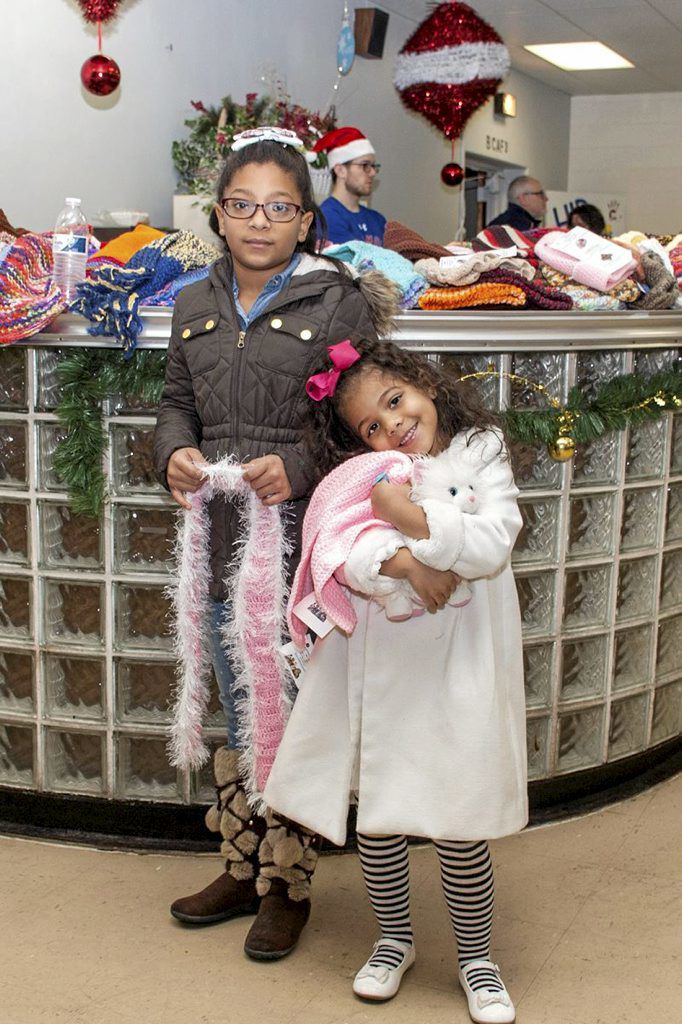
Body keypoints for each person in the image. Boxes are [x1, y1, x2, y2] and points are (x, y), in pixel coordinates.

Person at [153, 127, 397, 960]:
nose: (259, 222)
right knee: (235, 702)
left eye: (280, 207)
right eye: (242, 205)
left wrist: (295, 465)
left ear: (305, 220)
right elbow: (176, 398)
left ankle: (288, 885)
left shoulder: (339, 302)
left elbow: (369, 426)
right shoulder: (192, 302)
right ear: (219, 214)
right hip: (219, 539)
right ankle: (243, 861)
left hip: (305, 551)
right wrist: (172, 452)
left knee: (287, 715)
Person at [264, 338, 527, 1022]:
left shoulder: (482, 454)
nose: (392, 427)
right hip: (384, 666)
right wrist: (404, 563)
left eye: (395, 402)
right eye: (370, 427)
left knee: (459, 817)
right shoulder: (365, 478)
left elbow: (493, 541)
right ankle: (394, 940)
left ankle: (477, 959)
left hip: (460, 661)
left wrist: (413, 521)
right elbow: (338, 550)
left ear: (423, 383)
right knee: (378, 819)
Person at [314, 127, 387, 245]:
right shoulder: (326, 217)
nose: (373, 173)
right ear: (340, 170)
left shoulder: (378, 220)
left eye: (374, 166)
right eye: (365, 165)